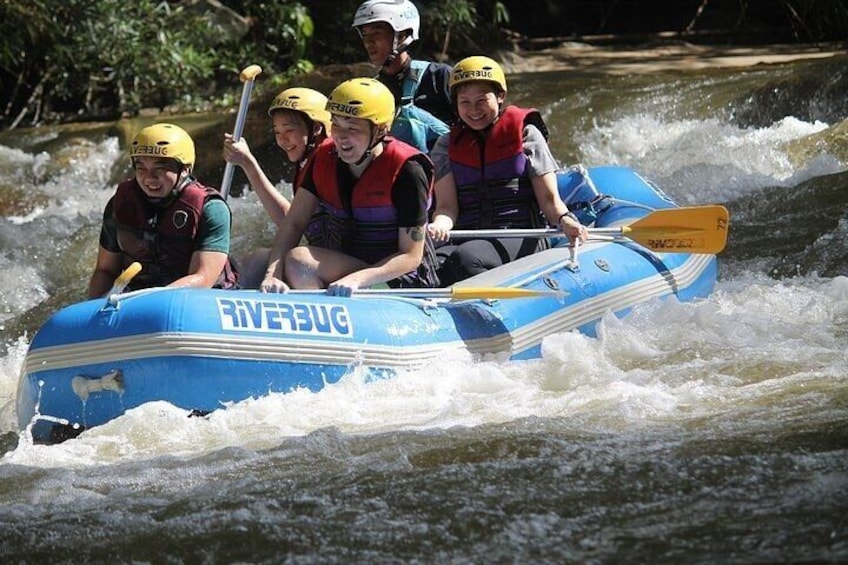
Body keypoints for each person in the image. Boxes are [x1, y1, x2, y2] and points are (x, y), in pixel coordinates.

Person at [260, 77, 440, 296]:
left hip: (400, 278)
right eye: (336, 124)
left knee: (299, 261)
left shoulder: (408, 170)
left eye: (352, 127)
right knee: (258, 261)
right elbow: (293, 223)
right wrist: (272, 274)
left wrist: (358, 279)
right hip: (351, 268)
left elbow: (411, 256)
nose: (341, 136)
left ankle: (326, 318)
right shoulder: (323, 158)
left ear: (380, 131)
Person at [427, 56, 588, 286]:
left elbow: (549, 200)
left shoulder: (526, 135)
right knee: (429, 264)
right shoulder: (445, 146)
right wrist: (439, 226)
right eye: (465, 102)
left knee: (467, 259)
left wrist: (564, 220)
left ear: (500, 96)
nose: (473, 110)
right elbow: (446, 208)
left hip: (520, 236)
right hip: (468, 235)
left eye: (482, 100)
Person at [87, 123, 238, 298]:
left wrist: (148, 301)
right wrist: (94, 306)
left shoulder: (211, 209)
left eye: (160, 167)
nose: (149, 177)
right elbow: (105, 270)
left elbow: (202, 278)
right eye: (141, 167)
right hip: (139, 298)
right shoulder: (120, 205)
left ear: (185, 170)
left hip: (199, 298)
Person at [222, 87, 333, 288]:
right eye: (277, 132)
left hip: (347, 266)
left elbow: (292, 223)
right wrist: (247, 162)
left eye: (289, 130)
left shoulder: (332, 162)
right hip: (325, 261)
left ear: (316, 128)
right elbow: (289, 219)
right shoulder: (307, 164)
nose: (282, 139)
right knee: (256, 260)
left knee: (297, 260)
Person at [352, 0, 452, 152]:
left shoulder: (438, 76)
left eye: (376, 34)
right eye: (365, 35)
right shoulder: (370, 91)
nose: (368, 43)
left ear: (402, 35)